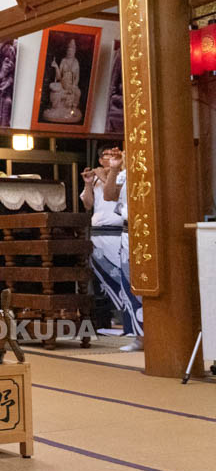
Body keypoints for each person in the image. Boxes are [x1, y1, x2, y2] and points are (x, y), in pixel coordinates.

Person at [101, 148, 144, 351]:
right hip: (128, 232)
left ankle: (153, 335)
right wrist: (114, 169)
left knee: (147, 284)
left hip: (147, 230)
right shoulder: (125, 173)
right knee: (130, 284)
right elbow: (109, 196)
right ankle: (140, 336)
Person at [80, 147, 124, 334]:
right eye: (106, 156)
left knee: (118, 273)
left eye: (113, 156)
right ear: (100, 160)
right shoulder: (96, 178)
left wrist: (107, 175)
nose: (110, 159)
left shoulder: (122, 176)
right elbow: (88, 204)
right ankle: (104, 320)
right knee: (99, 275)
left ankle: (121, 318)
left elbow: (113, 196)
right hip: (97, 234)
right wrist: (89, 183)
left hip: (116, 233)